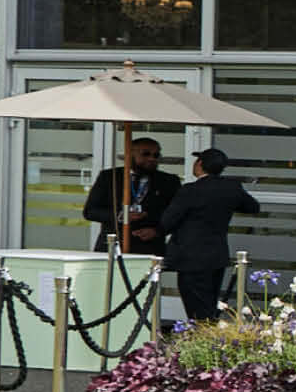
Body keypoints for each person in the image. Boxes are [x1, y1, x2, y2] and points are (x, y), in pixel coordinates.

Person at [154, 148, 262, 324]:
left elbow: (167, 222)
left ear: (200, 164)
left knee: (196, 308)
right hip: (215, 255)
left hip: (189, 257)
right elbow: (252, 207)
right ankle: (207, 336)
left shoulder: (190, 190)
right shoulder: (231, 187)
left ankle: (202, 341)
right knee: (209, 304)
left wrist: (154, 231)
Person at [80, 135, 174, 255]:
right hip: (113, 246)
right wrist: (121, 216)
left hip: (149, 248)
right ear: (130, 154)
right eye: (145, 154)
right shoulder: (110, 177)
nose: (151, 159)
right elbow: (90, 211)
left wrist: (158, 231)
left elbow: (175, 214)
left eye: (156, 155)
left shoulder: (168, 181)